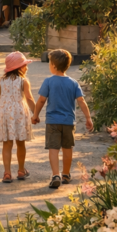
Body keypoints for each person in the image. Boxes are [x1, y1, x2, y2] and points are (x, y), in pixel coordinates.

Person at [32, 48, 93, 189]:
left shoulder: (48, 82)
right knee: (67, 148)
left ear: (53, 66)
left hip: (53, 121)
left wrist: (35, 115)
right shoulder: (73, 83)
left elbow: (41, 101)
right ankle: (66, 174)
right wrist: (88, 118)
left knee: (53, 148)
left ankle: (55, 175)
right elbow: (81, 101)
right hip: (68, 122)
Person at [0, 52, 36, 182]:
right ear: (19, 67)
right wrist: (35, 113)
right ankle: (21, 170)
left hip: (4, 113)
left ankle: (7, 173)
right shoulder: (24, 81)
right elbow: (29, 98)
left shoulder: (1, 81)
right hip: (19, 113)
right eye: (25, 65)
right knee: (21, 143)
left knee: (7, 143)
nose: (26, 68)